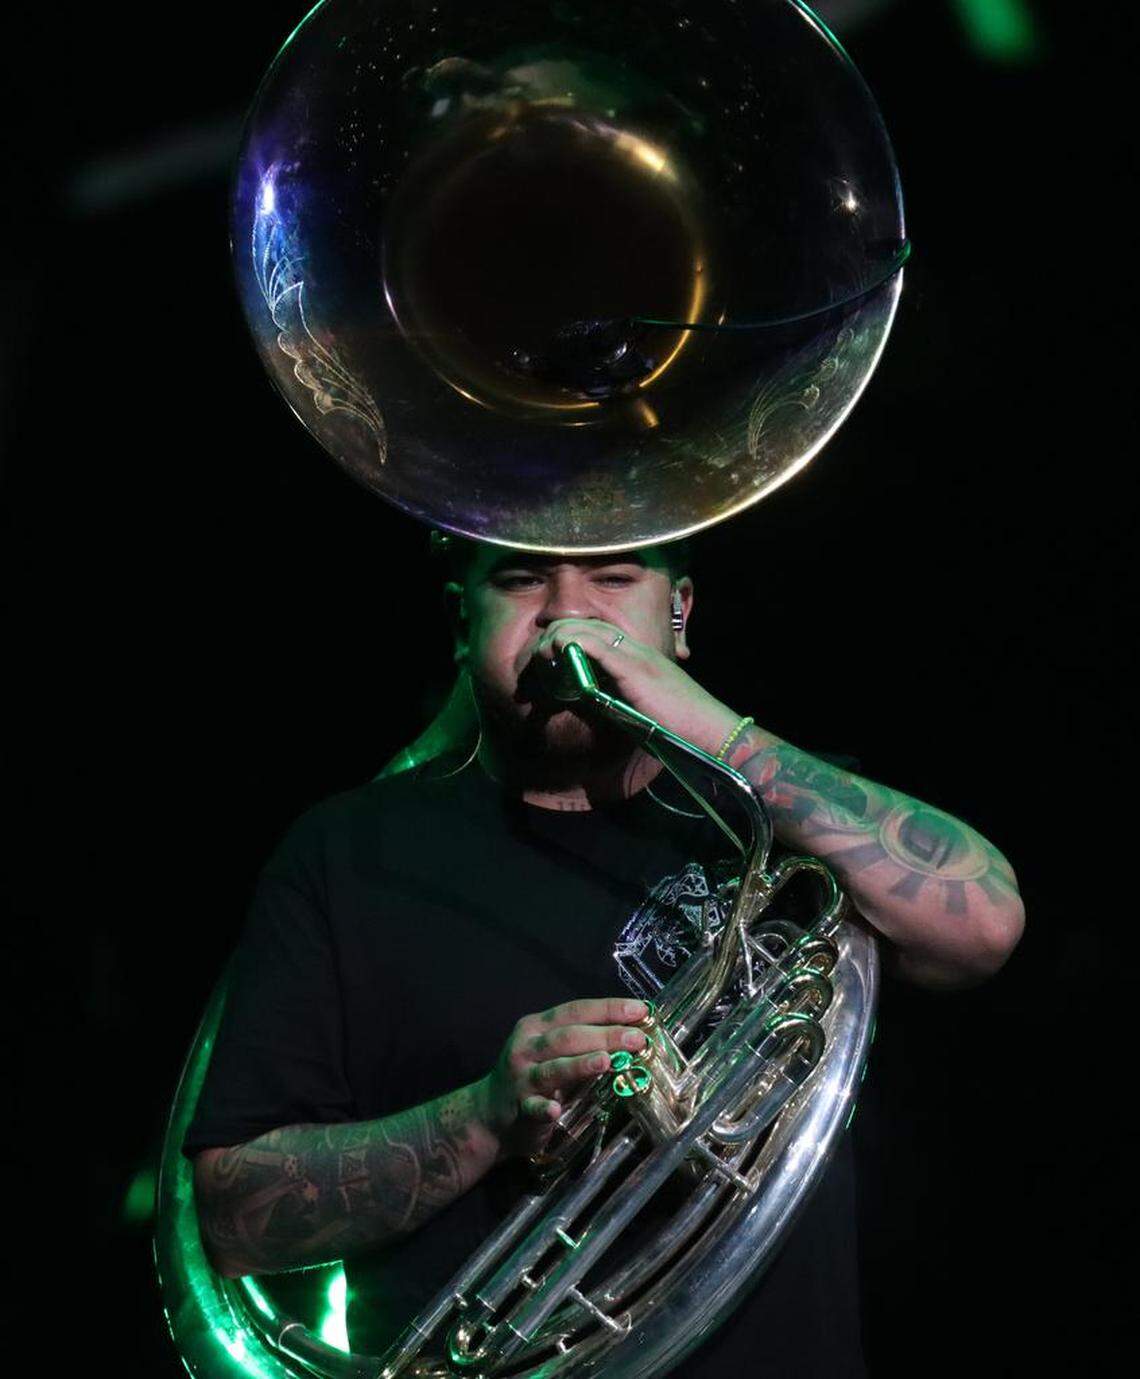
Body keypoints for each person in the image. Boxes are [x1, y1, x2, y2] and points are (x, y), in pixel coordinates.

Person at [183, 536, 1025, 1377]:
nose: (567, 613)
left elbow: (983, 924)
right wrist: (483, 1119)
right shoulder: (347, 854)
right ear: (458, 619)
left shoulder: (776, 820)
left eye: (615, 576)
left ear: (679, 611)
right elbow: (229, 1216)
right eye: (519, 579)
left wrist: (697, 718)